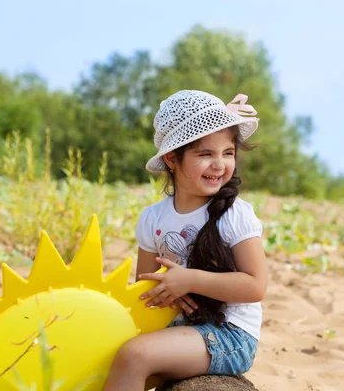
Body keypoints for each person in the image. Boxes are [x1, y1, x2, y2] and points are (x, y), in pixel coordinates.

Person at [102, 90, 268, 391]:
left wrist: (190, 280)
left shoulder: (235, 214)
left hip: (229, 333)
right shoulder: (153, 218)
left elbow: (255, 286)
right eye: (205, 154)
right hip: (179, 327)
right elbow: (146, 284)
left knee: (134, 356)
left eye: (228, 153)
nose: (220, 165)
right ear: (171, 159)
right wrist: (167, 289)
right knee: (103, 357)